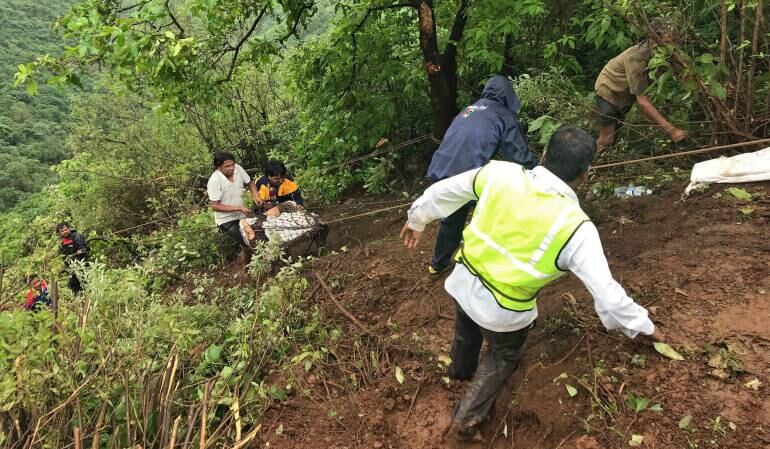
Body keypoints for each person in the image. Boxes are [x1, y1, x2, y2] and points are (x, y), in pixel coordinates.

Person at [400, 126, 664, 441]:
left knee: (466, 326)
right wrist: (644, 327)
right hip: (503, 314)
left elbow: (444, 192)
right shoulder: (577, 228)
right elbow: (608, 295)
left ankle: (459, 373)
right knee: (502, 356)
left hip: (462, 281)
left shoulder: (499, 173)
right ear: (585, 173)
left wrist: (416, 220)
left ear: (544, 155)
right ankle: (467, 418)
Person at [425, 75, 536, 277]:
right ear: (509, 95)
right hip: (469, 174)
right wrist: (536, 174)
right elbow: (519, 157)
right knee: (492, 211)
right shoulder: (504, 115)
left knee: (452, 218)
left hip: (441, 170)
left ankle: (438, 265)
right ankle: (485, 262)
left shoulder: (467, 111)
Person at [595, 18, 689, 151]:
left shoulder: (666, 53)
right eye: (668, 42)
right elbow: (642, 101)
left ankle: (606, 158)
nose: (673, 46)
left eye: (675, 41)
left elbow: (686, 74)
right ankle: (590, 162)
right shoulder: (637, 59)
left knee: (615, 135)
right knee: (607, 139)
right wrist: (672, 130)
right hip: (609, 89)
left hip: (626, 93)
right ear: (654, 39)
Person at [207, 152, 261, 262]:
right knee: (247, 243)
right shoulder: (214, 180)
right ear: (218, 167)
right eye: (227, 166)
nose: (231, 168)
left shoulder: (238, 169)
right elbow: (215, 206)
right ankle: (250, 267)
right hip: (226, 220)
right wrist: (238, 208)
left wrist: (255, 195)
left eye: (232, 164)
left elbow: (250, 183)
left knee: (256, 237)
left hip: (242, 215)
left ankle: (251, 264)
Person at [57, 222, 89, 295]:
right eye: (62, 231)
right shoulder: (61, 241)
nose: (64, 232)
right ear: (60, 233)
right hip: (70, 267)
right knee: (73, 286)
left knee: (83, 283)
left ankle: (86, 297)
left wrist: (80, 251)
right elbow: (59, 253)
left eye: (66, 229)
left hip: (81, 265)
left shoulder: (76, 236)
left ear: (69, 229)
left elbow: (83, 249)